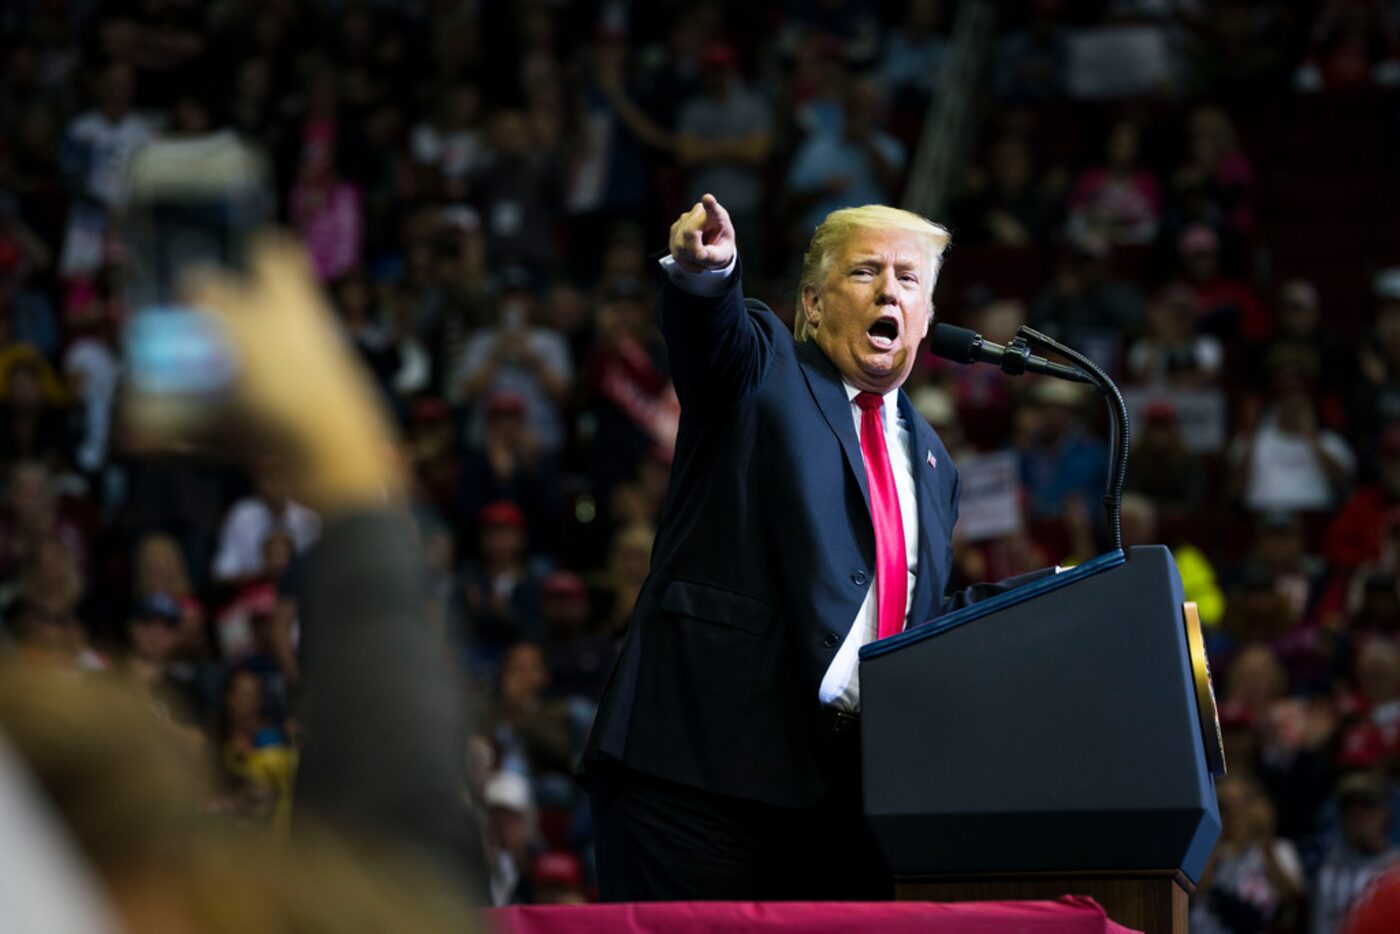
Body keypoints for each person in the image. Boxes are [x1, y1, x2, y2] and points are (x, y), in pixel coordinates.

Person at [581, 195, 1046, 901]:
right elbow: (713, 336)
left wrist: (1062, 593)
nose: (890, 288)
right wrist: (708, 275)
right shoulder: (763, 365)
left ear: (924, 319)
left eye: (909, 278)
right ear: (814, 302)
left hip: (841, 801)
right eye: (866, 271)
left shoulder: (935, 464)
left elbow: (907, 618)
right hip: (699, 770)